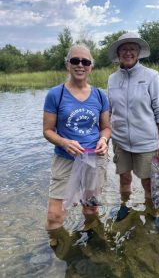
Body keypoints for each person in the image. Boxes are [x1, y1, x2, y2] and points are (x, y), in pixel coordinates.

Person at [43, 44, 111, 232]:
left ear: (91, 67)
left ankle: (89, 242)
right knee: (54, 216)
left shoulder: (99, 95)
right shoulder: (55, 94)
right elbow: (47, 130)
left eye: (85, 61)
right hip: (65, 159)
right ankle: (57, 250)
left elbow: (106, 128)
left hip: (94, 159)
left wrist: (103, 140)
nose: (80, 65)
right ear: (67, 64)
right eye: (75, 60)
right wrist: (64, 142)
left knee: (91, 208)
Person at [107, 32, 159, 232]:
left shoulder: (151, 76)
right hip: (120, 141)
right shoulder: (112, 79)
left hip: (146, 142)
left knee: (148, 183)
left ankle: (153, 212)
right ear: (118, 53)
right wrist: (104, 139)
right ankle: (125, 206)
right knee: (124, 178)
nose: (128, 52)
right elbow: (108, 110)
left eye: (132, 48)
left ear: (139, 52)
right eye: (123, 48)